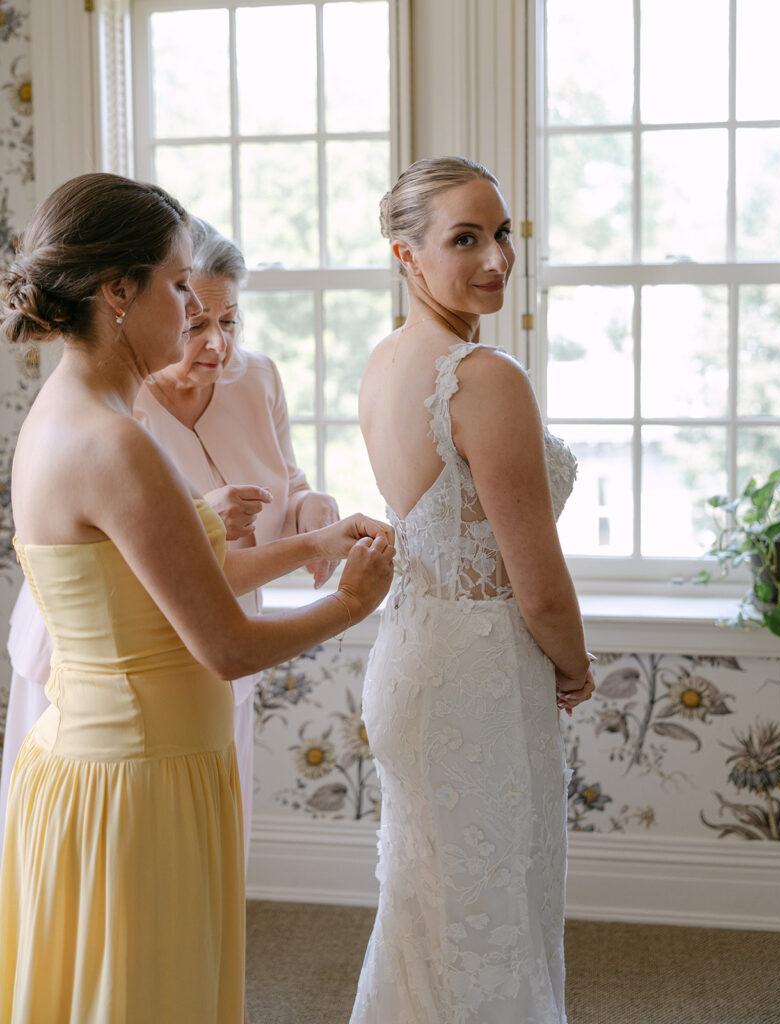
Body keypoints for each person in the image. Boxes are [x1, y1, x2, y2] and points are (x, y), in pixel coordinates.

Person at [0, 172, 394, 1024]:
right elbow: (228, 647)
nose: (191, 311)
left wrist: (311, 540)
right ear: (117, 292)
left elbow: (167, 588)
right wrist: (350, 605)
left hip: (126, 762)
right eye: (178, 285)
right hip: (139, 782)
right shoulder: (115, 442)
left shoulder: (63, 413)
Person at [0, 217, 341, 870]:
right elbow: (156, 552)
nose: (216, 344)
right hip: (109, 655)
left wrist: (308, 507)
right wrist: (202, 520)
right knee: (94, 858)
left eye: (230, 322)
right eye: (194, 320)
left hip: (217, 640)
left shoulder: (258, 380)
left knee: (202, 845)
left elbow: (286, 479)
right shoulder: (122, 407)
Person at [350, 157, 595, 1023]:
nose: (495, 258)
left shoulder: (383, 364)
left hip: (411, 659)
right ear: (405, 256)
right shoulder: (485, 377)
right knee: (495, 912)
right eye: (465, 239)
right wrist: (573, 664)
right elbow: (536, 582)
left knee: (429, 910)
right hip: (482, 676)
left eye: (502, 234)